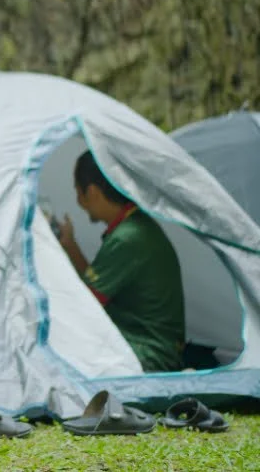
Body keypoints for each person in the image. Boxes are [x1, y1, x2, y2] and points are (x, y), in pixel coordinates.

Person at [54, 150, 185, 373]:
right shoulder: (134, 226)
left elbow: (86, 304)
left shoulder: (127, 238)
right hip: (149, 342)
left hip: (150, 354)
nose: (78, 202)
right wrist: (71, 247)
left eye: (78, 192)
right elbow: (101, 286)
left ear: (92, 192)